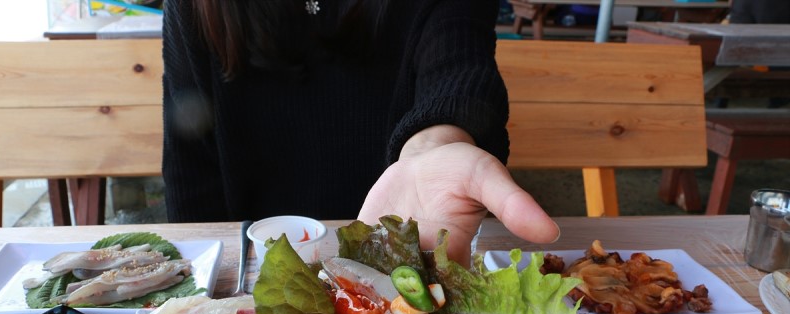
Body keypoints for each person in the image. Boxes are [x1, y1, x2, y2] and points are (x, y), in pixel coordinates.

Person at [162, 0, 559, 264]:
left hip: (401, 253)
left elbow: (458, 63)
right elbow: (192, 177)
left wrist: (436, 142)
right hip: (250, 276)